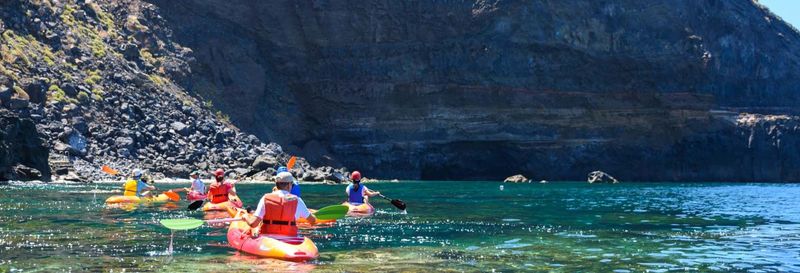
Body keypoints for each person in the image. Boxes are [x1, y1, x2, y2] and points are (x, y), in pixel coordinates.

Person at [244, 172, 316, 236]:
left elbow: (253, 224)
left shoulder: (265, 198)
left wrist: (245, 217)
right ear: (289, 185)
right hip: (291, 238)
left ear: (276, 185)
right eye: (292, 185)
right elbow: (312, 221)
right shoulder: (297, 200)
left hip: (268, 239)